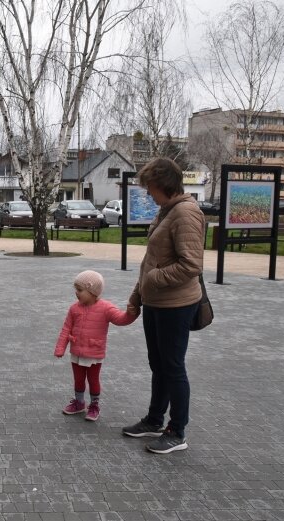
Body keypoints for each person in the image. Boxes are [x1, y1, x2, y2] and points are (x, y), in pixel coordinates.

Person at [123, 157, 205, 454]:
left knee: (172, 367)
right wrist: (137, 296)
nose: (148, 194)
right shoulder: (166, 211)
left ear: (163, 185)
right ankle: (155, 420)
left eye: (150, 188)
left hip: (176, 304)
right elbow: (151, 262)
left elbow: (191, 264)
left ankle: (177, 431)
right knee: (158, 364)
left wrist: (154, 279)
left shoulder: (185, 213)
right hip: (156, 302)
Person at [54, 270, 137, 421]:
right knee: (78, 379)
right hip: (77, 352)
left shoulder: (106, 308)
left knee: (93, 380)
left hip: (94, 352)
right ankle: (79, 402)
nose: (76, 293)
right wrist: (60, 347)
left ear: (92, 291)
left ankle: (94, 405)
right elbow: (66, 328)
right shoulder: (74, 308)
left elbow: (120, 319)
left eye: (80, 290)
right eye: (76, 290)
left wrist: (131, 314)